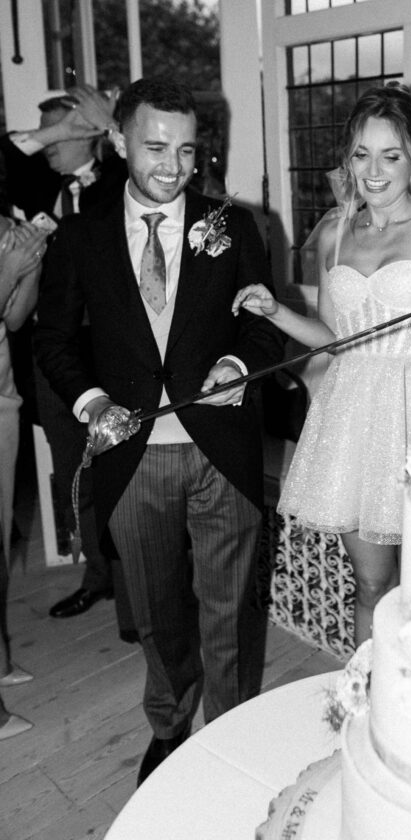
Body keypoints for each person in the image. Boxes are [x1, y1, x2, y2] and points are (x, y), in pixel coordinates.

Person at [34, 76, 284, 785]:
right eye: (154, 147)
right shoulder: (80, 237)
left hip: (222, 456)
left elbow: (260, 322)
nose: (172, 166)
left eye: (185, 149)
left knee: (229, 611)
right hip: (133, 457)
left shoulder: (234, 226)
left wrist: (238, 361)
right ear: (117, 141)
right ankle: (170, 728)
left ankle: (232, 734)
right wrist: (89, 403)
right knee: (156, 611)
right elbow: (54, 340)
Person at [232, 82, 411, 647]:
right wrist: (275, 309)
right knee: (372, 585)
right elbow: (331, 342)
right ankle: (369, 699)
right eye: (361, 154)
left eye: (391, 155)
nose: (374, 171)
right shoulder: (332, 231)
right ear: (347, 159)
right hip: (353, 421)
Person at [0, 85, 129, 620]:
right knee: (73, 471)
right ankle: (97, 575)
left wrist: (112, 126)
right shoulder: (36, 187)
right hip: (53, 358)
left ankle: (136, 587)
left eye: (69, 131)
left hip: (112, 354)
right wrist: (54, 130)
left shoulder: (120, 186)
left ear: (96, 137)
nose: (54, 143)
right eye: (50, 132)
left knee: (121, 469)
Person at [0, 212, 50, 739]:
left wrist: (30, 263)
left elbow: (13, 319)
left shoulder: (6, 225)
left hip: (2, 402)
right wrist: (10, 265)